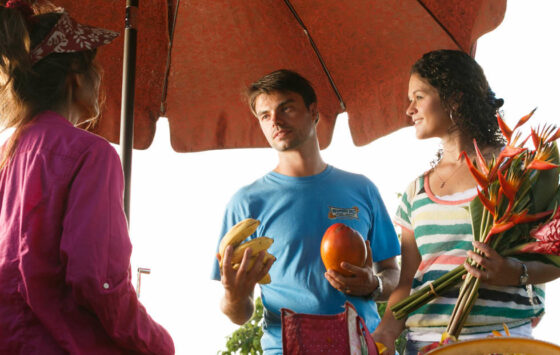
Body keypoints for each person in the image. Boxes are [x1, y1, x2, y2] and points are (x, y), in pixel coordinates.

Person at [0, 2, 174, 354]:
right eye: (96, 65)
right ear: (75, 73)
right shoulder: (91, 154)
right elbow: (97, 282)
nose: (101, 77)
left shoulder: (7, 156)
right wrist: (158, 342)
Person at [372, 49, 560, 355]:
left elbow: (554, 259)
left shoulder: (518, 170)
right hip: (427, 344)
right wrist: (384, 332)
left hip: (502, 342)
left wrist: (511, 271)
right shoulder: (415, 192)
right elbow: (407, 282)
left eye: (418, 97)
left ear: (454, 98)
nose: (409, 109)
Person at [210, 69, 401, 354]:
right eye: (264, 115)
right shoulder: (246, 204)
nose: (275, 120)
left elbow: (393, 274)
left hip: (362, 346)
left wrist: (373, 284)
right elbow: (239, 314)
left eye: (286, 107)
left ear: (313, 112)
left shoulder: (362, 189)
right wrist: (233, 296)